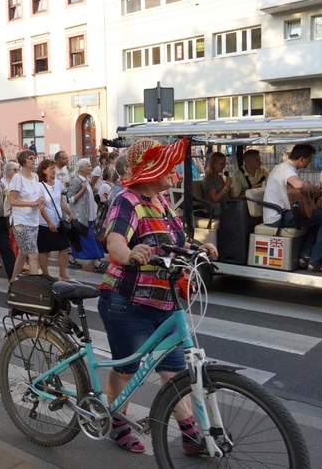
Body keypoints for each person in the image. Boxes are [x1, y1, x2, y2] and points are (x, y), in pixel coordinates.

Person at [97, 137, 218, 455]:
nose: (175, 171)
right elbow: (115, 243)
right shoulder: (127, 200)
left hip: (166, 301)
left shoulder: (163, 201)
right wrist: (130, 252)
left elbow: (173, 241)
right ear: (151, 170)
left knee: (175, 373)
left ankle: (191, 436)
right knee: (127, 369)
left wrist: (197, 248)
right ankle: (117, 423)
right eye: (168, 165)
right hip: (128, 303)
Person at [263, 144, 322, 272]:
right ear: (302, 159)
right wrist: (315, 190)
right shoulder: (286, 168)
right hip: (280, 216)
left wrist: (310, 189)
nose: (310, 162)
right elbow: (298, 184)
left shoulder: (286, 168)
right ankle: (315, 259)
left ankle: (305, 256)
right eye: (309, 159)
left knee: (316, 217)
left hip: (282, 214)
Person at [9, 150, 44, 282]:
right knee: (33, 254)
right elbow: (12, 200)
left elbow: (38, 196)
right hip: (21, 222)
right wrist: (32, 203)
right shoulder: (18, 177)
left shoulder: (35, 176)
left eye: (34, 158)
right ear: (23, 161)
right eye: (30, 158)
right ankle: (36, 286)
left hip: (33, 220)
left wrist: (41, 202)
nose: (33, 160)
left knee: (23, 253)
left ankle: (12, 280)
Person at [67, 158, 107, 273]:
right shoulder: (77, 181)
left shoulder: (87, 180)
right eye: (88, 166)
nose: (90, 168)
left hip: (90, 216)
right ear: (81, 169)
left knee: (82, 239)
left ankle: (72, 258)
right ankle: (96, 262)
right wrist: (82, 190)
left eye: (90, 165)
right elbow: (69, 199)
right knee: (90, 239)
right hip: (81, 217)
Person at [37, 158, 73, 280]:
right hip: (45, 223)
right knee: (44, 251)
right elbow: (41, 207)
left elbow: (61, 201)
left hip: (59, 221)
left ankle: (62, 274)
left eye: (54, 168)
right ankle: (45, 274)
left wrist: (69, 212)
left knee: (63, 248)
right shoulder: (39, 186)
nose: (54, 170)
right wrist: (49, 222)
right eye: (51, 168)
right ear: (44, 171)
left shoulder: (58, 183)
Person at [201, 152, 232, 217]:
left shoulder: (219, 177)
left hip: (226, 207)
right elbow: (215, 199)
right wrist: (226, 186)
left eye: (224, 164)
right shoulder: (209, 179)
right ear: (214, 164)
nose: (223, 166)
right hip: (216, 211)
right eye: (221, 164)